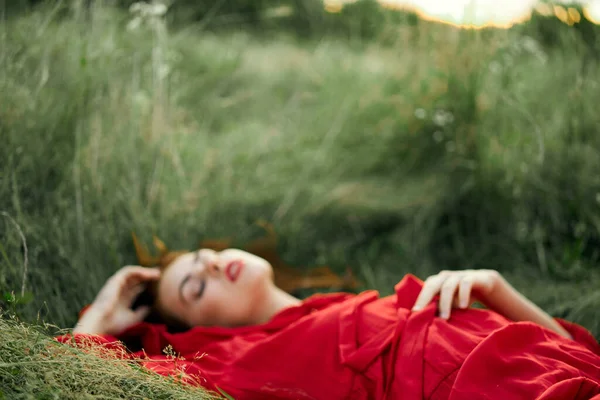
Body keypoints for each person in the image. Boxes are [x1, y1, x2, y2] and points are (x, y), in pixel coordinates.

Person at [63, 246, 600, 400]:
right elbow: (85, 372)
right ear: (196, 328)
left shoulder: (327, 306)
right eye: (195, 288)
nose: (209, 265)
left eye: (205, 254)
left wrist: (494, 288)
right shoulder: (233, 363)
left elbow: (575, 350)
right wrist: (99, 315)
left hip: (543, 361)